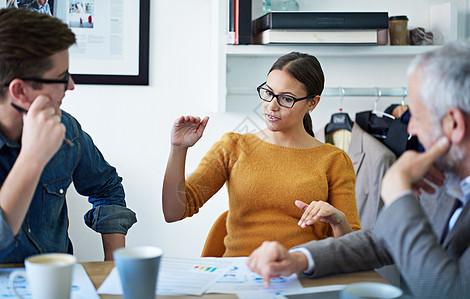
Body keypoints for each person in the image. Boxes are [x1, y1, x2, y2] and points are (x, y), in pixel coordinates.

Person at [247, 40, 470, 299]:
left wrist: (397, 194)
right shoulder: (446, 181)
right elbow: (383, 241)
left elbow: (447, 292)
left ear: (454, 124)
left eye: (417, 117)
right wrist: (298, 259)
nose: (410, 130)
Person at [162, 52, 361, 257]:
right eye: (268, 93)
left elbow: (355, 250)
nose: (271, 106)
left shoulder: (334, 160)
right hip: (238, 273)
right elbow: (173, 212)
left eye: (286, 99)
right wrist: (178, 149)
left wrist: (338, 220)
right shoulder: (233, 147)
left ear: (312, 103)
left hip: (299, 273)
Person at [0, 8, 136, 263]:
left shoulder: (67, 130)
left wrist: (114, 264)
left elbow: (108, 188)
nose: (71, 85)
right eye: (61, 77)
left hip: (59, 284)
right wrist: (32, 158)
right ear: (19, 91)